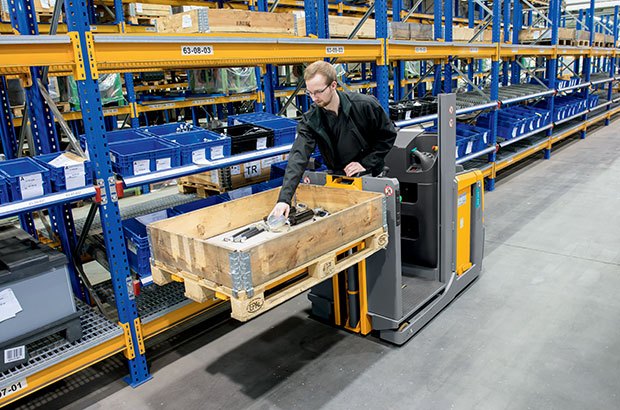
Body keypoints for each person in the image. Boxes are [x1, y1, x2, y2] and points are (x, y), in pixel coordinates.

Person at [270, 60, 397, 218]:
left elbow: (388, 135)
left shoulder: (364, 105)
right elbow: (298, 156)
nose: (314, 98)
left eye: (318, 92)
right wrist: (284, 199)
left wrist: (365, 163)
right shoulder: (311, 120)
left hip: (371, 178)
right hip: (338, 179)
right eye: (310, 93)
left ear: (333, 85)